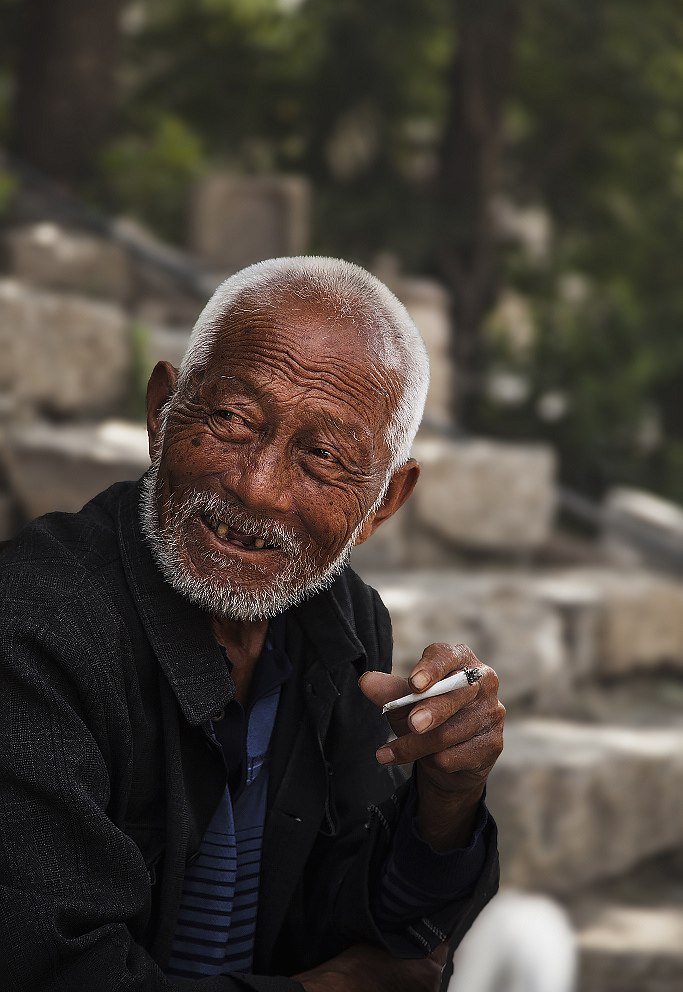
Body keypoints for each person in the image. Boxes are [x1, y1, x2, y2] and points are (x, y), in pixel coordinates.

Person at [0, 256, 505, 991]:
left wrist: (447, 799)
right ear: (161, 412)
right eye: (231, 420)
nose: (258, 487)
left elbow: (366, 927)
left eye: (323, 457)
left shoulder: (342, 621)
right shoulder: (33, 633)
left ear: (384, 503)